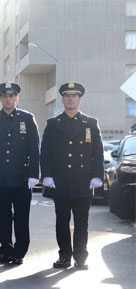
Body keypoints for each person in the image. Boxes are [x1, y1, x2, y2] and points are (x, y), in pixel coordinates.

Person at [40, 82, 104, 270]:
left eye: (74, 96)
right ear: (62, 99)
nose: (70, 99)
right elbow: (46, 152)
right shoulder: (53, 124)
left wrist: (97, 175)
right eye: (67, 96)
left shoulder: (90, 123)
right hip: (60, 180)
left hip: (83, 180)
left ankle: (80, 257)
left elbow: (97, 151)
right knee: (62, 221)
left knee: (82, 221)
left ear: (79, 99)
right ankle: (64, 256)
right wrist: (47, 175)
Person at [0, 82, 40, 265]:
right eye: (4, 96)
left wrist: (33, 174)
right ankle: (5, 250)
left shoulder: (27, 118)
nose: (8, 99)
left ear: (16, 98)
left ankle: (19, 252)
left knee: (22, 217)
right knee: (3, 217)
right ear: (0, 98)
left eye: (11, 96)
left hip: (22, 177)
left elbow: (34, 149)